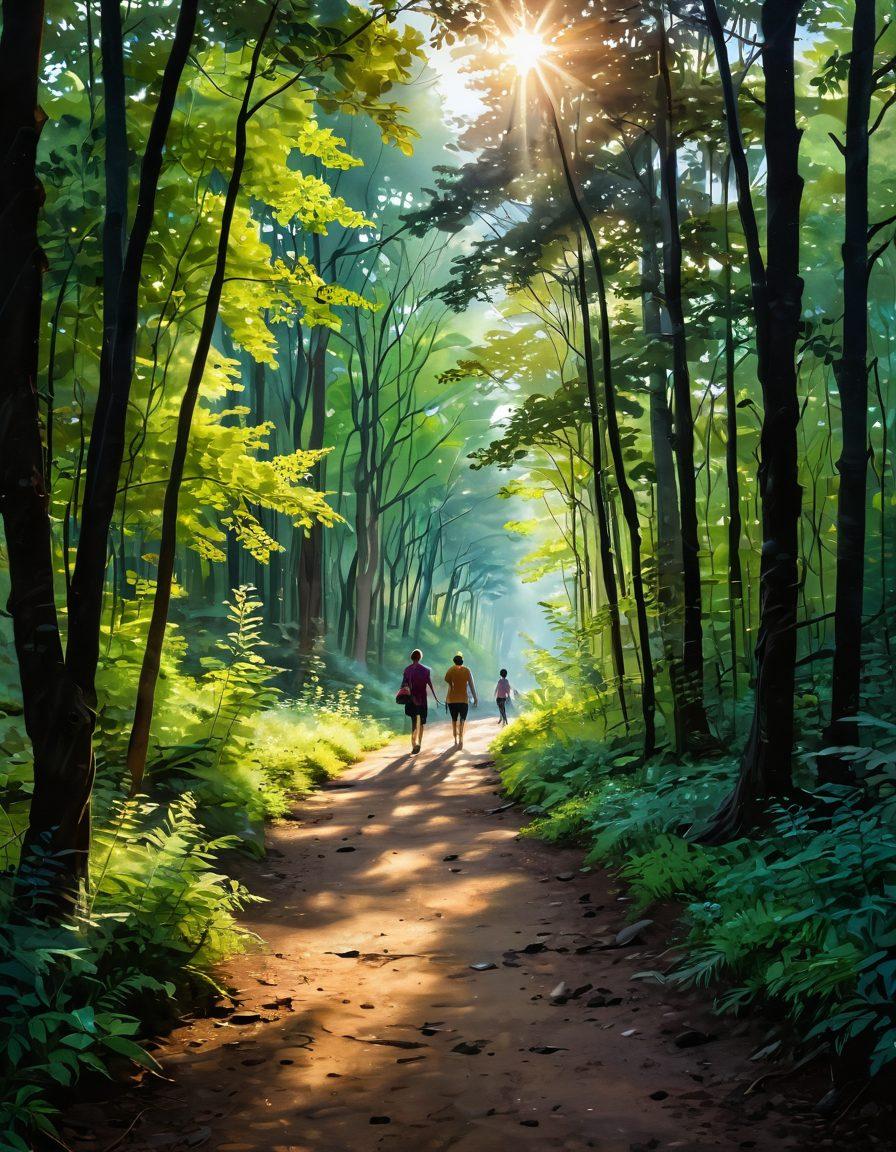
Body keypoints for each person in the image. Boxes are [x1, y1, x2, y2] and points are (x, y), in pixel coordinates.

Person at [401, 649, 439, 754]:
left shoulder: (407, 670)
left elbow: (403, 685)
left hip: (411, 699)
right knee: (421, 723)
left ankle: (414, 744)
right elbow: (430, 685)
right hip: (422, 700)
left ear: (412, 657)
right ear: (420, 657)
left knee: (414, 722)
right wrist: (436, 698)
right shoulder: (426, 670)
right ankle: (419, 744)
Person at [444, 653, 478, 749]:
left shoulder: (451, 670)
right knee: (462, 719)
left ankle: (455, 738)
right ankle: (461, 738)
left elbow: (448, 682)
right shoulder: (467, 670)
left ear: (454, 661)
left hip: (452, 700)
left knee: (454, 719)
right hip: (463, 700)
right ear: (462, 661)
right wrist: (475, 697)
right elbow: (471, 685)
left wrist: (447, 698)